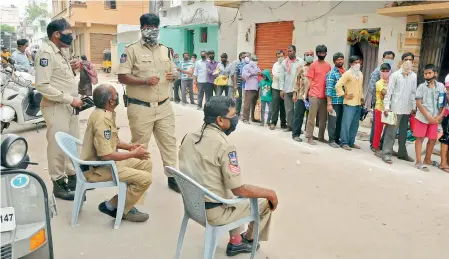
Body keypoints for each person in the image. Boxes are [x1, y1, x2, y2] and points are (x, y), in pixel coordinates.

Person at [178, 96, 278, 257]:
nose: (236, 120)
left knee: (224, 187)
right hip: (214, 213)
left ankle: (236, 240)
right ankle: (248, 239)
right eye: (233, 116)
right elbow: (239, 190)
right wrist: (270, 193)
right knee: (265, 201)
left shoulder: (188, 137)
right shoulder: (224, 145)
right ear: (219, 120)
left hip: (193, 206)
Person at [117, 13, 180, 192]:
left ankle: (172, 177)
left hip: (164, 106)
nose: (152, 31)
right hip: (140, 107)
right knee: (139, 145)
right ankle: (136, 178)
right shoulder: (131, 50)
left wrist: (174, 76)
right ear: (142, 28)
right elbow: (122, 76)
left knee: (169, 143)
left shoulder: (165, 50)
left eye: (155, 27)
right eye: (148, 27)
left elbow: (174, 71)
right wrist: (143, 81)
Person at [81, 84, 152, 222]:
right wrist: (133, 154)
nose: (117, 97)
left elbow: (112, 140)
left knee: (146, 164)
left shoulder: (105, 112)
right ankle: (115, 206)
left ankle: (126, 205)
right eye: (115, 95)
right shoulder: (102, 119)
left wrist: (130, 147)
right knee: (146, 179)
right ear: (111, 102)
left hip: (106, 163)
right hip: (97, 169)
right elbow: (106, 154)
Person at [34, 18, 83, 200]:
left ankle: (72, 177)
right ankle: (58, 182)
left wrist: (73, 69)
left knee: (71, 143)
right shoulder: (45, 53)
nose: (72, 37)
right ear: (56, 34)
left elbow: (59, 77)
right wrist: (70, 99)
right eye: (69, 34)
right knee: (57, 147)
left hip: (69, 106)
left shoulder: (60, 51)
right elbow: (43, 85)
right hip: (56, 107)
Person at [382, 52, 417, 164]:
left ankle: (402, 154)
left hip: (407, 109)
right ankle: (386, 153)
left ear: (413, 62)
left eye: (410, 60)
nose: (408, 62)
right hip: (395, 109)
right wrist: (387, 107)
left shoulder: (414, 76)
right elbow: (389, 93)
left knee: (403, 134)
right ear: (402, 61)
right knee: (391, 133)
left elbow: (413, 92)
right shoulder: (395, 75)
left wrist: (414, 107)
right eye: (406, 59)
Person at [413, 64, 446, 171]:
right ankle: (418, 161)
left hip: (435, 118)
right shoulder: (421, 87)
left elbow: (443, 102)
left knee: (432, 139)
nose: (427, 75)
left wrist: (440, 116)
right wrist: (428, 116)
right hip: (422, 117)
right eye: (425, 73)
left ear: (435, 73)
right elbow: (419, 103)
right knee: (420, 139)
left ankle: (427, 159)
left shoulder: (441, 86)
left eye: (429, 73)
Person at [367, 51, 396, 150]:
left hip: (389, 106)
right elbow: (372, 88)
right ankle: (374, 145)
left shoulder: (393, 73)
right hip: (379, 104)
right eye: (387, 57)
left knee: (387, 127)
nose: (385, 72)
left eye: (391, 58)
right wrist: (379, 98)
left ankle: (383, 145)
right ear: (383, 58)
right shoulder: (377, 72)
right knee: (377, 127)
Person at [335, 55, 364, 151]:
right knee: (346, 124)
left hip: (358, 103)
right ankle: (344, 142)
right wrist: (344, 95)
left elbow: (360, 87)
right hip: (349, 103)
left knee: (355, 124)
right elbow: (338, 85)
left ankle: (351, 142)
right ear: (351, 64)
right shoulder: (347, 74)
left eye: (358, 62)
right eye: (355, 62)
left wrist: (362, 98)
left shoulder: (360, 74)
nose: (357, 64)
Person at [305, 45, 331, 145]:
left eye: (323, 53)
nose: (321, 54)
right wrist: (306, 94)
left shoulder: (328, 66)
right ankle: (309, 136)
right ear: (317, 54)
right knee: (312, 117)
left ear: (326, 53)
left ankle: (321, 137)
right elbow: (309, 81)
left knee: (323, 118)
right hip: (314, 95)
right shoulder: (313, 65)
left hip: (324, 95)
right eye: (319, 53)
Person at [292, 50, 314, 142]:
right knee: (298, 116)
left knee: (311, 117)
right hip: (301, 96)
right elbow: (296, 82)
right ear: (304, 57)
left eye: (311, 55)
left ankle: (308, 134)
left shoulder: (315, 67)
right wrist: (294, 94)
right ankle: (295, 134)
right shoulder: (301, 68)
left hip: (313, 96)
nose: (309, 56)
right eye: (307, 55)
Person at [325, 52, 345, 148]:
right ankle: (331, 139)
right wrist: (329, 103)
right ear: (334, 61)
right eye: (338, 59)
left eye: (341, 59)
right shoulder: (331, 74)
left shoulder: (344, 73)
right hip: (334, 102)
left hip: (343, 102)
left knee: (340, 122)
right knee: (333, 121)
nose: (340, 61)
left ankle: (337, 139)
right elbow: (328, 89)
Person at [280, 45, 302, 132]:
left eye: (291, 51)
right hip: (287, 89)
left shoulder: (300, 61)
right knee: (289, 110)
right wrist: (281, 89)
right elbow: (281, 77)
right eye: (288, 51)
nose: (289, 53)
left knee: (297, 110)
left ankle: (297, 128)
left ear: (295, 51)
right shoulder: (284, 62)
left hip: (297, 90)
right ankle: (290, 126)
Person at [372, 63, 392, 156]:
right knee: (378, 130)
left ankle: (385, 147)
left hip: (389, 110)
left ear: (390, 71)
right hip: (380, 109)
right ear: (380, 72)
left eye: (387, 71)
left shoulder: (391, 81)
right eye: (383, 71)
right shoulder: (379, 83)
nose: (385, 73)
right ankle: (375, 147)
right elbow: (385, 93)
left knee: (388, 131)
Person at [270, 50, 287, 130]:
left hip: (285, 89)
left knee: (283, 107)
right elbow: (276, 75)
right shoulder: (275, 65)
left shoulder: (287, 64)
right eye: (279, 56)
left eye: (281, 56)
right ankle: (273, 122)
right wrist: (283, 76)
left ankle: (283, 123)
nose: (280, 58)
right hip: (276, 88)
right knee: (275, 106)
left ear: (284, 56)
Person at [241, 54, 261, 124]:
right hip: (249, 87)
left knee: (254, 104)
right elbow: (244, 75)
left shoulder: (257, 67)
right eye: (254, 60)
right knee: (247, 104)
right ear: (251, 60)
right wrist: (254, 73)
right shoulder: (246, 67)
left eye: (256, 60)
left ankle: (254, 118)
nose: (256, 61)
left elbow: (259, 74)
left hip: (256, 87)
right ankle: (245, 118)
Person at [233, 52, 248, 117]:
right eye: (243, 57)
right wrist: (235, 85)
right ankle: (237, 113)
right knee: (238, 100)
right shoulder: (238, 65)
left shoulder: (248, 65)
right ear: (240, 57)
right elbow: (235, 75)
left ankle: (243, 114)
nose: (244, 58)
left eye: (245, 57)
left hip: (246, 85)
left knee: (244, 100)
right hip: (239, 84)